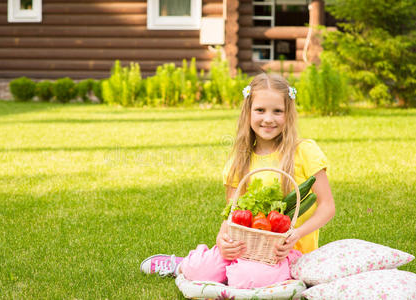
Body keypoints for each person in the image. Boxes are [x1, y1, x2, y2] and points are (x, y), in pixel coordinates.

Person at [140, 73, 336, 289]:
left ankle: (236, 274)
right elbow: (232, 214)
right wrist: (222, 240)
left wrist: (296, 233)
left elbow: (327, 207)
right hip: (246, 246)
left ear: (288, 114)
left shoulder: (304, 151)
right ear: (248, 112)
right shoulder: (239, 159)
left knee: (248, 279)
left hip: (287, 252)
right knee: (199, 271)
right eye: (260, 110)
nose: (268, 118)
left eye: (277, 111)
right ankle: (180, 265)